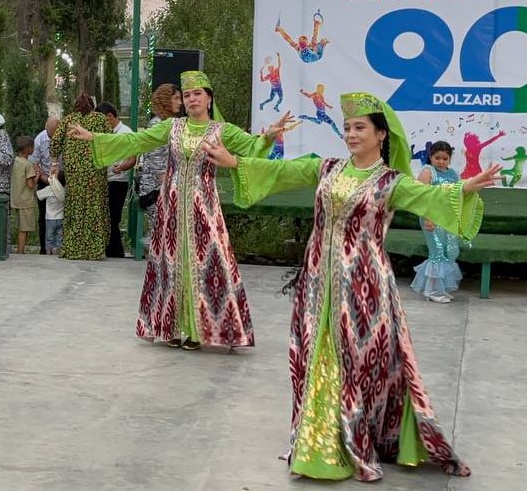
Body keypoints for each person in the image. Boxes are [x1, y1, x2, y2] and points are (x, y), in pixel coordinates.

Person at [209, 91, 499, 481]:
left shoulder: (392, 182)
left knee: (364, 362)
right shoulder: (327, 168)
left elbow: (430, 197)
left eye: (360, 127)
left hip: (365, 286)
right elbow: (282, 172)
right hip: (317, 281)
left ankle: (368, 434)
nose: (351, 134)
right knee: (317, 354)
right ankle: (319, 442)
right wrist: (236, 162)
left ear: (381, 134)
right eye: (347, 128)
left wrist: (466, 187)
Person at [70, 71, 292, 350]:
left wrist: (269, 135)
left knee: (205, 264)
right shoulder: (172, 127)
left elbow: (250, 147)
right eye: (187, 95)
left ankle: (199, 331)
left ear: (209, 98)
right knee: (171, 264)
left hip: (204, 207)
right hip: (171, 208)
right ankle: (172, 327)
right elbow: (137, 141)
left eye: (197, 94)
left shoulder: (222, 130)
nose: (192, 99)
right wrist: (95, 137)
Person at [51, 93, 110, 260]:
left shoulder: (68, 120)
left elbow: (54, 143)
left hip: (74, 174)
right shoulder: (100, 119)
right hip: (95, 172)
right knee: (94, 207)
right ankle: (94, 250)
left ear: (75, 106)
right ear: (92, 105)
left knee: (75, 206)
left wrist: (54, 164)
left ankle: (73, 248)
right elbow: (110, 139)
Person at [412, 141, 465, 303]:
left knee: (450, 252)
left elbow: (458, 196)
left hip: (449, 219)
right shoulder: (428, 172)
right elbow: (420, 197)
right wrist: (427, 217)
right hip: (432, 218)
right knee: (438, 252)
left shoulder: (454, 174)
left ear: (450, 158)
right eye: (437, 158)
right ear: (431, 157)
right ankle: (433, 291)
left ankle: (442, 288)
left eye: (445, 158)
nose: (441, 161)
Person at [138, 84, 182, 239]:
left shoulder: (169, 123)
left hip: (165, 189)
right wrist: (171, 191)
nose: (180, 102)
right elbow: (157, 163)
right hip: (158, 192)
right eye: (176, 98)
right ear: (165, 100)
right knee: (163, 237)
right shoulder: (157, 124)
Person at [96, 101, 135, 258]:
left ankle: (116, 252)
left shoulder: (125, 133)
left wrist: (122, 167)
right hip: (105, 180)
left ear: (110, 117)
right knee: (106, 217)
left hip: (118, 182)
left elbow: (132, 158)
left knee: (113, 217)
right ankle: (110, 250)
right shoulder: (106, 133)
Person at [30, 117, 60, 254]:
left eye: (54, 134)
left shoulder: (65, 137)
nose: (52, 137)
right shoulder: (39, 139)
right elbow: (34, 162)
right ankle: (44, 248)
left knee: (61, 215)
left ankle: (60, 246)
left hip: (62, 178)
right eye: (50, 134)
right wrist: (45, 179)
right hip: (44, 178)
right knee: (43, 216)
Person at [11, 135, 37, 254]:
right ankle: (21, 252)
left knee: (20, 227)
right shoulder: (28, 164)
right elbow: (30, 184)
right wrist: (37, 175)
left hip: (16, 200)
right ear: (28, 148)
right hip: (26, 202)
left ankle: (20, 250)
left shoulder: (15, 161)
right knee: (24, 229)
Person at [36, 163, 65, 254]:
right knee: (59, 237)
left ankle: (49, 252)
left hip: (50, 218)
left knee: (49, 238)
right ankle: (58, 252)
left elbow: (38, 195)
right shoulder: (64, 191)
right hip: (61, 217)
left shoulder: (49, 190)